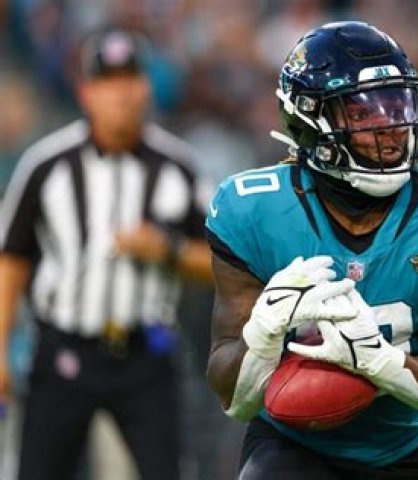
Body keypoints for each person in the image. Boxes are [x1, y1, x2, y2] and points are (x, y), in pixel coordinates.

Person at [205, 21, 418, 479]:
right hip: (294, 445)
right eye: (364, 115)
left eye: (397, 106)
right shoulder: (252, 212)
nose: (391, 129)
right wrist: (262, 335)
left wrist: (378, 362)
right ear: (308, 120)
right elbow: (234, 400)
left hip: (404, 445)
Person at [0, 27, 212, 479]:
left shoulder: (178, 166)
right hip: (62, 348)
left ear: (146, 87)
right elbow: (11, 257)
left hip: (147, 354)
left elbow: (220, 262)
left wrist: (167, 250)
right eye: (108, 81)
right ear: (85, 92)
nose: (121, 94)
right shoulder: (46, 164)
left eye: (129, 79)